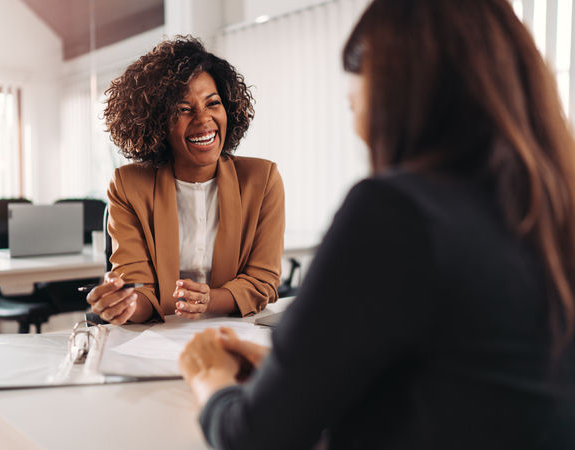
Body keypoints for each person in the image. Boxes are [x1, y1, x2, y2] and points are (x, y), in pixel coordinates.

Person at [179, 0, 575, 448]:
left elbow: (254, 439)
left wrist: (210, 379)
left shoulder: (397, 213)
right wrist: (297, 372)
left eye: (354, 106)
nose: (358, 130)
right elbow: (468, 382)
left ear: (396, 100)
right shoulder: (549, 205)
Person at [85, 37, 285, 324]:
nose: (204, 119)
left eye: (212, 103)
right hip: (157, 337)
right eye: (183, 109)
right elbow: (139, 289)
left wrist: (209, 300)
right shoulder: (129, 185)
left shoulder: (262, 180)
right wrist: (124, 304)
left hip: (233, 331)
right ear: (157, 122)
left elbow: (262, 281)